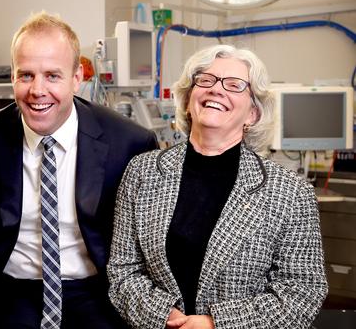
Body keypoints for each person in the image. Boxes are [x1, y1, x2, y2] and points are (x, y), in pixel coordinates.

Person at [0, 12, 158, 329]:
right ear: (13, 75)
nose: (38, 90)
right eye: (26, 75)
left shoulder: (129, 143)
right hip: (7, 292)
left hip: (95, 294)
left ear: (77, 77)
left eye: (52, 75)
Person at [107, 44, 328, 329]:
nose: (216, 89)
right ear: (188, 100)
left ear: (253, 114)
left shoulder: (290, 193)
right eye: (206, 80)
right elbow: (123, 270)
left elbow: (302, 293)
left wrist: (216, 324)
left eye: (235, 85)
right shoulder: (142, 171)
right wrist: (162, 316)